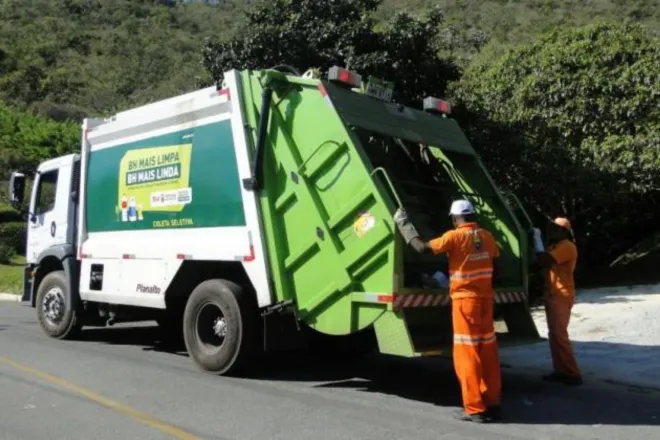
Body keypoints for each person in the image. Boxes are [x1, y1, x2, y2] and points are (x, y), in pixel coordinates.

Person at [394, 199, 502, 423]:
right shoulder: (487, 236)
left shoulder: (454, 236)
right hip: (485, 301)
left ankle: (474, 408)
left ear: (454, 218)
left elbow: (421, 248)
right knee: (488, 353)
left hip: (465, 303)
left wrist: (404, 225)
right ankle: (492, 402)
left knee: (467, 355)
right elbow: (495, 264)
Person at [532, 217, 583, 386]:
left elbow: (545, 260)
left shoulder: (567, 247)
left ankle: (573, 373)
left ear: (563, 231)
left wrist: (537, 240)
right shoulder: (555, 247)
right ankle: (560, 370)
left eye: (555, 228)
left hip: (561, 295)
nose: (551, 231)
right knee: (553, 335)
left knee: (560, 335)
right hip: (553, 294)